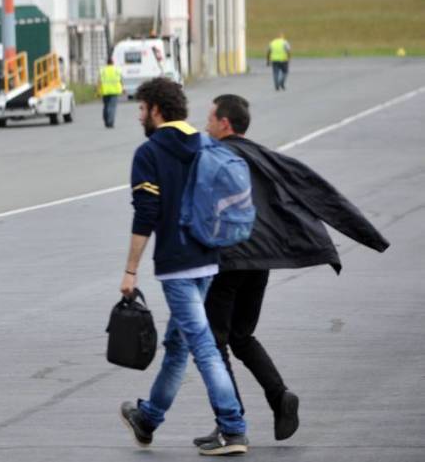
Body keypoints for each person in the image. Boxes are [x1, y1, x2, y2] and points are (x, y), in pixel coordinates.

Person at [195, 94, 389, 447]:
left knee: (213, 342)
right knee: (241, 337)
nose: (204, 124)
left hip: (232, 259)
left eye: (209, 118)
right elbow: (316, 189)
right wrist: (368, 234)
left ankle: (230, 424)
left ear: (225, 124)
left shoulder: (217, 157)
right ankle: (280, 396)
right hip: (262, 260)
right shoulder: (264, 156)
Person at [118, 78, 248, 456]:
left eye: (142, 109)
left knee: (203, 346)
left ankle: (233, 427)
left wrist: (130, 270)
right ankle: (148, 418)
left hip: (176, 265)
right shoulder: (206, 143)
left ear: (156, 110)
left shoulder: (149, 152)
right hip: (208, 258)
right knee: (178, 345)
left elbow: (146, 213)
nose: (140, 116)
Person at [99, 58, 124, 129]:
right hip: (114, 91)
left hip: (105, 91)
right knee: (112, 107)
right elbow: (121, 80)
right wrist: (123, 89)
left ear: (107, 63)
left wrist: (98, 91)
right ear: (113, 63)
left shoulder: (103, 70)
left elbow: (99, 81)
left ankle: (106, 121)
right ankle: (110, 122)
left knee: (106, 107)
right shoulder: (117, 70)